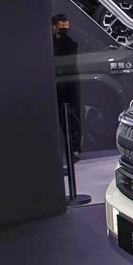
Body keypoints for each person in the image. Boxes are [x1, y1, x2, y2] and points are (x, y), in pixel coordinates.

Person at [51, 14, 81, 160]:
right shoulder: (50, 42)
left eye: (66, 26)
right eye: (61, 26)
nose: (64, 29)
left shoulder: (69, 43)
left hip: (68, 85)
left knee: (71, 118)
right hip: (56, 84)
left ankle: (74, 150)